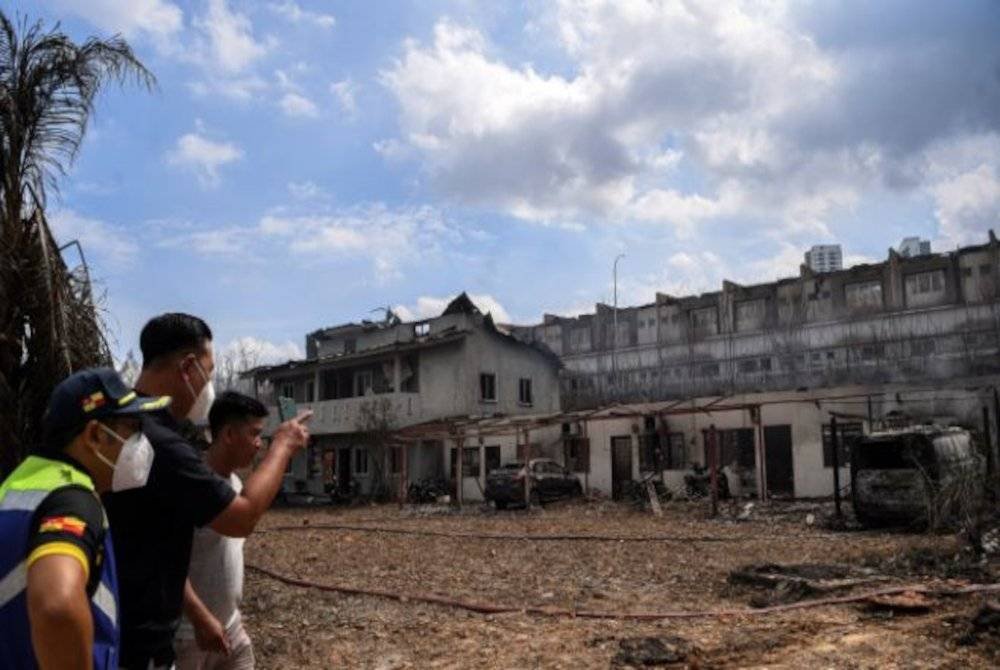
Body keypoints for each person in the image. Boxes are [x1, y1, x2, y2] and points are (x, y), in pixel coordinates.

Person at [105, 313, 311, 670]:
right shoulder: (161, 444)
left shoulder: (121, 426)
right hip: (145, 644)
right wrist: (283, 446)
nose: (209, 386)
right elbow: (242, 517)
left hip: (126, 631)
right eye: (209, 372)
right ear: (188, 368)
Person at [0, 368, 171, 669]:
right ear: (95, 435)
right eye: (133, 428)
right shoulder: (73, 500)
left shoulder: (16, 485)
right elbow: (58, 606)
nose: (143, 443)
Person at [174, 392, 270, 669]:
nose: (258, 444)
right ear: (228, 434)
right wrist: (200, 618)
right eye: (254, 434)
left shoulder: (236, 486)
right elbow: (166, 559)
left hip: (231, 626)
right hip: (189, 634)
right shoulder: (191, 487)